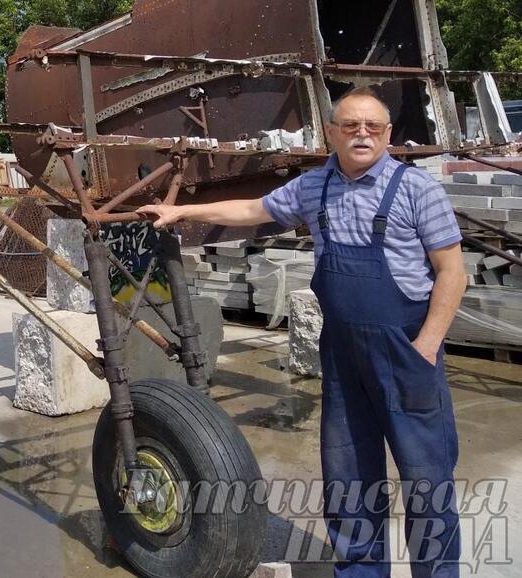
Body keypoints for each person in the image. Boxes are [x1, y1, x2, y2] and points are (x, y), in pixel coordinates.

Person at [139, 87, 466, 577]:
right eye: (350, 125)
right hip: (343, 355)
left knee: (426, 482)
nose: (361, 134)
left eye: (372, 127)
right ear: (331, 132)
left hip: (406, 353)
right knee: (349, 480)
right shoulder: (315, 187)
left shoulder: (419, 190)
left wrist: (425, 347)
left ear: (388, 135)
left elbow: (452, 273)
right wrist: (183, 213)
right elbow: (253, 210)